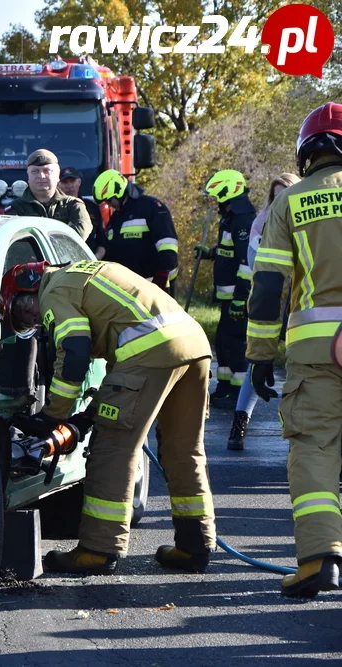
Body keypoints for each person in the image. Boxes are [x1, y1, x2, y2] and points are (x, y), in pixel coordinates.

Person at [0, 259, 215, 575]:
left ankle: (97, 551)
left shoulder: (52, 289)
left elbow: (74, 350)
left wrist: (53, 415)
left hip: (151, 350)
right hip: (192, 343)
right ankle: (194, 545)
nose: (33, 319)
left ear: (27, 291)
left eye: (22, 312)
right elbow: (124, 357)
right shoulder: (83, 273)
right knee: (183, 451)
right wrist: (91, 412)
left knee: (112, 449)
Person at [247, 102, 342, 598]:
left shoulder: (290, 203)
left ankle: (320, 560)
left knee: (315, 450)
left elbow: (267, 289)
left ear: (307, 153)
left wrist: (261, 353)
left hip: (316, 353)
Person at [226, 172, 300, 450]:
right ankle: (239, 425)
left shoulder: (302, 218)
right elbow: (259, 267)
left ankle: (294, 431)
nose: (280, 198)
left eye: (286, 192)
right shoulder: (261, 222)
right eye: (276, 193)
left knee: (297, 368)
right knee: (255, 363)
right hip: (269, 304)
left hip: (297, 306)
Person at [197, 170, 256, 406]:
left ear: (227, 191)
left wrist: (241, 298)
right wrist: (211, 253)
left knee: (236, 342)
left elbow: (246, 262)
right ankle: (224, 386)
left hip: (237, 297)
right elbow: (228, 250)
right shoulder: (230, 215)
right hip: (227, 296)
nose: (215, 201)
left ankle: (238, 392)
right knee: (222, 340)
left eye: (217, 195)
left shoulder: (243, 219)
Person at [94, 169, 179, 292]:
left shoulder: (150, 207)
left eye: (109, 200)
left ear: (119, 192)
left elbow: (168, 243)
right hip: (128, 288)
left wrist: (162, 274)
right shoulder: (116, 218)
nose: (109, 204)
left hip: (155, 285)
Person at [3, 150, 92, 240]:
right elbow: (14, 240)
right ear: (28, 177)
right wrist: (63, 233)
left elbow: (81, 233)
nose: (41, 176)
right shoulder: (15, 208)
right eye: (35, 171)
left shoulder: (73, 205)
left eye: (47, 171)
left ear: (57, 176)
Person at [59, 167, 107, 259]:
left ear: (79, 182)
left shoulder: (92, 208)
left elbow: (102, 241)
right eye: (65, 182)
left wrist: (95, 258)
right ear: (58, 184)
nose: (69, 186)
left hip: (90, 262)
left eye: (72, 181)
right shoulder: (54, 208)